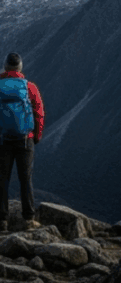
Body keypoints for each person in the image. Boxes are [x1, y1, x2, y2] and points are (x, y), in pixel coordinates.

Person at [0, 53, 44, 230]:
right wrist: (36, 136)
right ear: (20, 68)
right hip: (25, 140)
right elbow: (39, 112)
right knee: (25, 179)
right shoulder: (29, 87)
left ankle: (2, 221)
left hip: (3, 140)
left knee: (2, 179)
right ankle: (28, 219)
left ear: (5, 67)